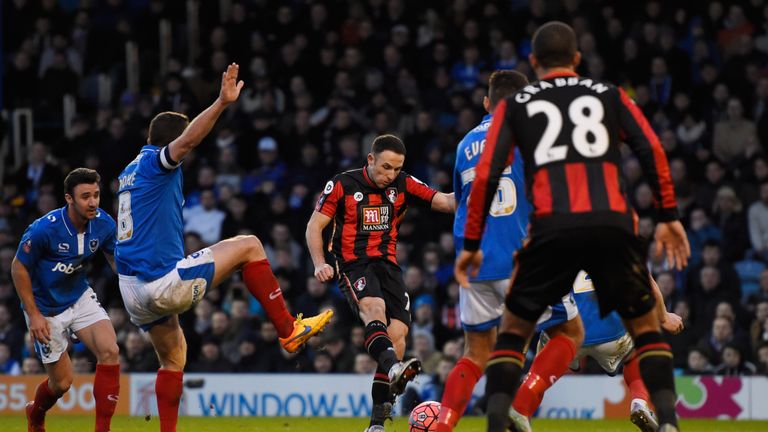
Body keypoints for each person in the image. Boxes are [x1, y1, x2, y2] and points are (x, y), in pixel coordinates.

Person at [455, 22, 689, 432]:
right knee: (645, 326)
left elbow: (488, 174)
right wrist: (668, 215)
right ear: (577, 58)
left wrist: (473, 241)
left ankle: (508, 414)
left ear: (533, 61)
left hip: (555, 226)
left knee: (514, 333)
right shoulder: (610, 96)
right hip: (610, 217)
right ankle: (666, 419)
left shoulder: (518, 107)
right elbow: (651, 148)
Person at [114, 63, 332, 432]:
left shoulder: (128, 173)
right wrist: (221, 103)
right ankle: (288, 329)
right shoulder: (156, 163)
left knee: (173, 359)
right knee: (249, 244)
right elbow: (188, 141)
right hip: (161, 280)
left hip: (131, 288)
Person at [436, 70, 576, 432]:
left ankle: (441, 425)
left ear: (487, 103)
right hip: (523, 261)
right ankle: (522, 403)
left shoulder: (465, 144)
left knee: (476, 353)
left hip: (476, 265)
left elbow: (460, 201)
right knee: (569, 333)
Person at [306, 134, 455, 432]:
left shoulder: (404, 183)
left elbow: (446, 202)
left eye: (397, 169)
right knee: (374, 308)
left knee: (398, 336)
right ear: (370, 159)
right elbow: (314, 226)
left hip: (388, 265)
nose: (391, 175)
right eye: (386, 167)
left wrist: (478, 185)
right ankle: (395, 369)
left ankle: (376, 424)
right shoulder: (342, 184)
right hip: (353, 264)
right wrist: (320, 263)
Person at [12, 168, 120, 432]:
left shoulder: (104, 224)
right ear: (69, 199)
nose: (93, 202)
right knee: (61, 384)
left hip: (79, 295)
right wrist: (34, 315)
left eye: (96, 195)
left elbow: (116, 261)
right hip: (45, 308)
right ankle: (35, 413)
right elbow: (18, 268)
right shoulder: (44, 229)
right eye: (85, 196)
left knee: (111, 351)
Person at [512, 272, 684, 432]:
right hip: (610, 331)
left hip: (566, 327)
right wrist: (664, 316)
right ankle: (639, 403)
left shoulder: (554, 240)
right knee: (635, 354)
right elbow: (644, 278)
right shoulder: (618, 240)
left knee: (540, 373)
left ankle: (521, 406)